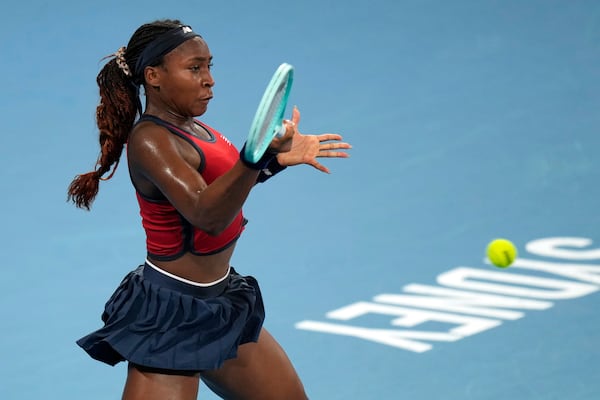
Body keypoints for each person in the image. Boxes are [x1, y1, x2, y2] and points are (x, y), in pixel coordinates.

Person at [67, 19, 351, 400]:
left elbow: (224, 187)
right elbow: (207, 215)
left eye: (209, 66)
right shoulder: (151, 140)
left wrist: (272, 159)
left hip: (221, 303)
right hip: (169, 318)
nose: (209, 79)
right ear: (154, 76)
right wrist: (253, 158)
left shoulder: (197, 129)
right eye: (194, 68)